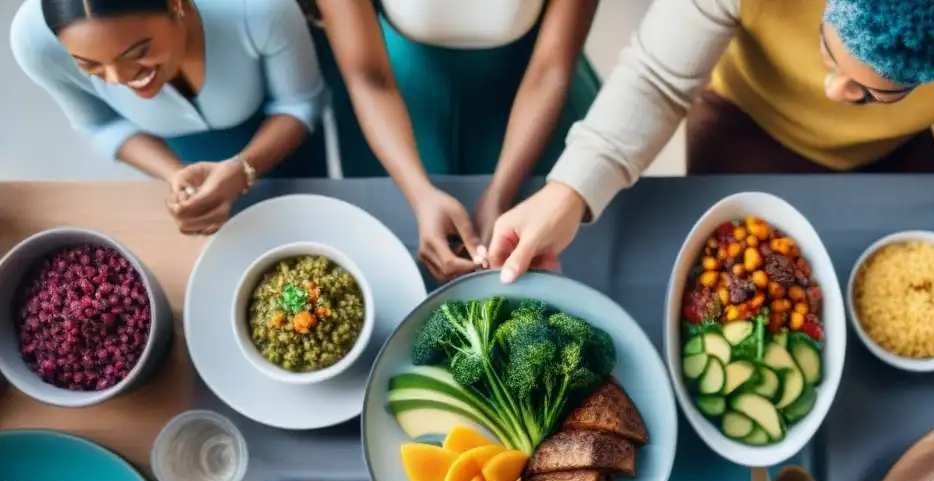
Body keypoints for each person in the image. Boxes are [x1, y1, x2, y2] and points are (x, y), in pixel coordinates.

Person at [486, 0, 934, 281]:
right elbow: (655, 80)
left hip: (897, 148)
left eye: (872, 92)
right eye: (828, 53)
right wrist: (568, 191)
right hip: (743, 121)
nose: (832, 92)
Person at [313, 0, 600, 284]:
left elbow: (550, 69)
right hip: (395, 110)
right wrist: (421, 194)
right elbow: (369, 77)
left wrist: (500, 192)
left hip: (535, 103)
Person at [10, 0, 327, 236]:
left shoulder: (260, 9)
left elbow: (298, 103)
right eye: (90, 66)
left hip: (279, 135)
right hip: (176, 148)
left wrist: (244, 168)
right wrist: (175, 174)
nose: (118, 78)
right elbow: (101, 124)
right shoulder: (35, 44)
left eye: (136, 53)